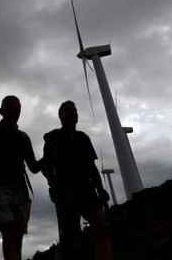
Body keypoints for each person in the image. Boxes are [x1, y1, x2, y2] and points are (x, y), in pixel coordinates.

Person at [40, 101, 113, 260]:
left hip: (86, 190)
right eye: (69, 111)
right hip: (64, 193)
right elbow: (46, 166)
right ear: (61, 116)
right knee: (69, 237)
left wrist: (100, 188)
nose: (74, 113)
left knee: (101, 228)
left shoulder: (83, 137)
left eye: (75, 111)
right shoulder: (53, 138)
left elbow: (92, 167)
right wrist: (53, 186)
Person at [0, 95, 40, 260]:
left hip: (19, 190)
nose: (15, 111)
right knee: (10, 232)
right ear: (1, 111)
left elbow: (33, 167)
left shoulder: (23, 137)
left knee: (16, 234)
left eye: (17, 109)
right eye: (12, 108)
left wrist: (51, 157)